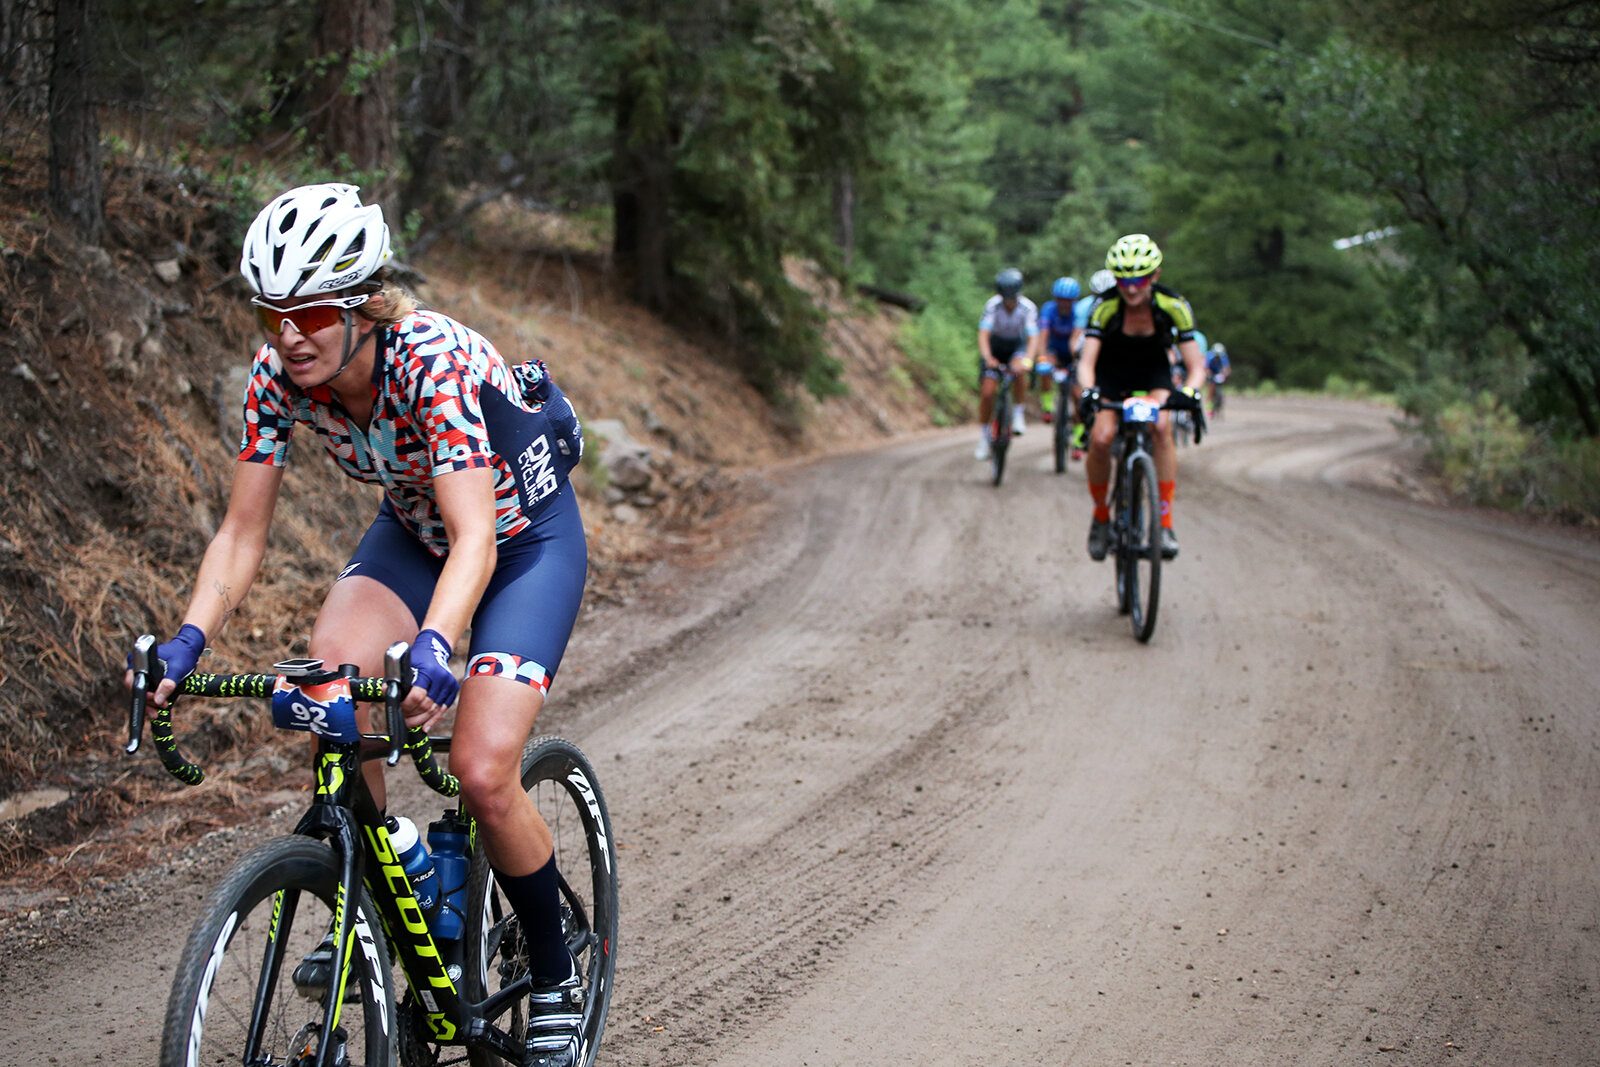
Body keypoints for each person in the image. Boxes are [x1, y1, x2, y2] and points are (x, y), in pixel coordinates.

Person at [124, 183, 590, 1067]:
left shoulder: (428, 362)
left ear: (363, 304)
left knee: (482, 769)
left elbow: (478, 536)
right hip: (416, 532)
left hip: (523, 540)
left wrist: (435, 644)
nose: (289, 337)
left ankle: (559, 971)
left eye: (307, 314)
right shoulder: (280, 380)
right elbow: (240, 533)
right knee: (330, 683)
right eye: (271, 318)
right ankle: (379, 898)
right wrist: (186, 640)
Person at [1076, 233, 1205, 561]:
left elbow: (1196, 365)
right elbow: (1087, 362)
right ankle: (1101, 516)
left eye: (1140, 279)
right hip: (1110, 373)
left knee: (1161, 428)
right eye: (1123, 279)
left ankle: (1164, 524)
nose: (1131, 288)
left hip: (1152, 374)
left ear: (1155, 276)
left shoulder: (1173, 306)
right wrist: (1090, 391)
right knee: (1102, 438)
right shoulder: (1104, 306)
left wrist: (1190, 390)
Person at [974, 267, 1039, 460]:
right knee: (987, 393)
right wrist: (987, 357)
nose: (1010, 303)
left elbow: (1033, 338)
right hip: (995, 348)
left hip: (1016, 347)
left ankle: (1018, 413)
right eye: (1006, 299)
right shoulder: (992, 306)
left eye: (1013, 299)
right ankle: (984, 437)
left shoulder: (1028, 307)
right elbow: (984, 334)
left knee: (1019, 370)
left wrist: (1028, 360)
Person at [1029, 276, 1083, 426]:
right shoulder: (1049, 309)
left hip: (1074, 353)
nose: (1064, 303)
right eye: (1061, 299)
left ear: (1074, 300)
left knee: (1078, 395)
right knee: (1044, 367)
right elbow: (1043, 334)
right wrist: (1042, 356)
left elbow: (1079, 337)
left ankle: (1079, 439)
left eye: (1068, 300)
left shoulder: (1079, 311)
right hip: (1055, 352)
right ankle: (1047, 406)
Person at [1206, 341, 1231, 417]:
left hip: (1219, 374)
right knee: (1211, 389)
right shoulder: (1209, 356)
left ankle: (1221, 401)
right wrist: (1209, 374)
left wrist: (1226, 374)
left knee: (1223, 385)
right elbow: (1206, 368)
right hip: (1212, 373)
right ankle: (1210, 409)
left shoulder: (1223, 356)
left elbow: (1227, 368)